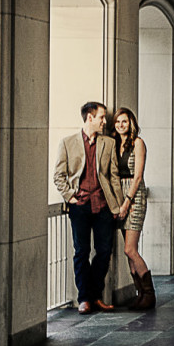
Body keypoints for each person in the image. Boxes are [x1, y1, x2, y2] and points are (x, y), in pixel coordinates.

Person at [52, 101, 126, 314]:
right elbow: (58, 175)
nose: (105, 121)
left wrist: (118, 205)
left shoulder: (108, 143)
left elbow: (113, 176)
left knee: (104, 252)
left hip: (104, 206)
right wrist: (70, 197)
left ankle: (95, 295)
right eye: (102, 117)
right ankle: (84, 298)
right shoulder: (68, 142)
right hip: (80, 206)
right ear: (89, 118)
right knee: (81, 252)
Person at [112, 107, 155, 310]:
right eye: (118, 122)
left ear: (131, 123)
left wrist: (127, 201)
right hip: (120, 196)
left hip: (134, 196)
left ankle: (149, 293)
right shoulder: (114, 144)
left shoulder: (138, 143)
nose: (121, 125)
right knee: (129, 252)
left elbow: (138, 176)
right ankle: (140, 295)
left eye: (125, 122)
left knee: (130, 249)